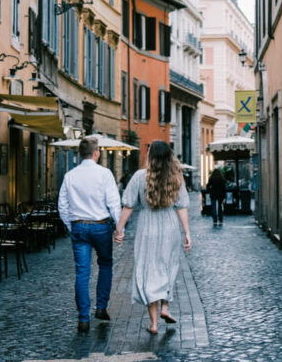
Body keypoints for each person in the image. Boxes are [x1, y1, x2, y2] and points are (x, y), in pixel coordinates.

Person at [113, 141, 191, 335]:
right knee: (167, 266)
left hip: (147, 227)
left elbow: (128, 206)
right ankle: (165, 305)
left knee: (149, 270)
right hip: (170, 226)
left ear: (150, 156)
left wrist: (119, 230)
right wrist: (187, 233)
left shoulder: (140, 177)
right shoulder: (176, 177)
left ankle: (154, 323)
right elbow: (181, 207)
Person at [58, 136, 122, 333]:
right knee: (105, 265)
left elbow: (62, 205)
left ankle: (83, 319)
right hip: (101, 226)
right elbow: (114, 203)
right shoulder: (105, 174)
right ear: (96, 153)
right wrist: (120, 229)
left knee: (82, 273)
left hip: (79, 226)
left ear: (80, 153)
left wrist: (71, 225)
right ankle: (101, 308)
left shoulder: (70, 175)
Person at [207, 162, 226, 227]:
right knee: (220, 207)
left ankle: (215, 219)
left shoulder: (211, 178)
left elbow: (208, 186)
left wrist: (210, 190)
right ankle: (220, 219)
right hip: (220, 194)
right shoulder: (221, 179)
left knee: (214, 207)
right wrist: (224, 195)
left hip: (213, 194)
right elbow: (224, 187)